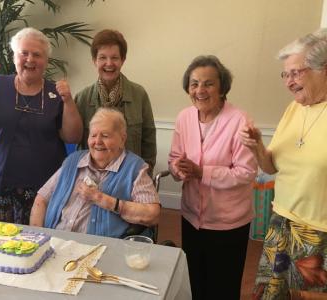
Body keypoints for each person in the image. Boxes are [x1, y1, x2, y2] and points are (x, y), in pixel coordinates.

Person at [240, 29, 327, 299]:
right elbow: (271, 167)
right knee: (272, 295)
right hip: (281, 224)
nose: (288, 82)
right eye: (285, 74)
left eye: (295, 72)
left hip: (319, 234)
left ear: (323, 68)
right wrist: (257, 147)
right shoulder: (293, 109)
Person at [0, 27, 82, 224]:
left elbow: (73, 137)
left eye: (37, 54)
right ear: (14, 57)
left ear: (46, 61)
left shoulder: (57, 92)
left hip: (43, 193)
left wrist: (69, 100)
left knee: (41, 248)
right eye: (24, 53)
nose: (30, 59)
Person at [168, 55, 258, 300]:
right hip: (191, 217)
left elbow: (246, 173)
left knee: (223, 287)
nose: (200, 90)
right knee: (195, 280)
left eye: (208, 83)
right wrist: (179, 169)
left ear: (222, 87)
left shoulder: (240, 121)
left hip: (227, 223)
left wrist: (202, 172)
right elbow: (175, 157)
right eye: (194, 83)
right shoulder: (184, 117)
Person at [30, 108, 160, 238]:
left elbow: (152, 215)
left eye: (105, 136)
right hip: (53, 242)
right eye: (93, 135)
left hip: (97, 249)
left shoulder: (134, 168)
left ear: (122, 139)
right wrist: (38, 239)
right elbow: (41, 200)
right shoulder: (73, 161)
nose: (97, 142)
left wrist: (102, 199)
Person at [75, 29, 156, 174]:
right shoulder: (82, 98)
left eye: (114, 58)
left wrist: (144, 174)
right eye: (102, 58)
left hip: (130, 178)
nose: (109, 63)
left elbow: (149, 142)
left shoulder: (139, 95)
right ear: (94, 61)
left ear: (123, 60)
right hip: (91, 181)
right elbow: (78, 146)